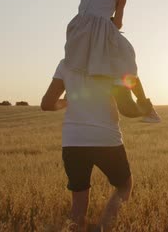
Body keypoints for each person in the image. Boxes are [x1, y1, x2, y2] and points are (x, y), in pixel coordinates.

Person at [41, 59, 133, 232]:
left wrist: (66, 102)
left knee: (78, 204)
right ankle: (103, 228)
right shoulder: (113, 60)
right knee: (124, 185)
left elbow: (46, 104)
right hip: (106, 138)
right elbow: (126, 106)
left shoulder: (66, 63)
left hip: (73, 141)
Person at [64, 0, 160, 123]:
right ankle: (148, 109)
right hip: (101, 33)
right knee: (127, 60)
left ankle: (70, 94)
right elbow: (118, 24)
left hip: (78, 33)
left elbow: (89, 13)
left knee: (77, 63)